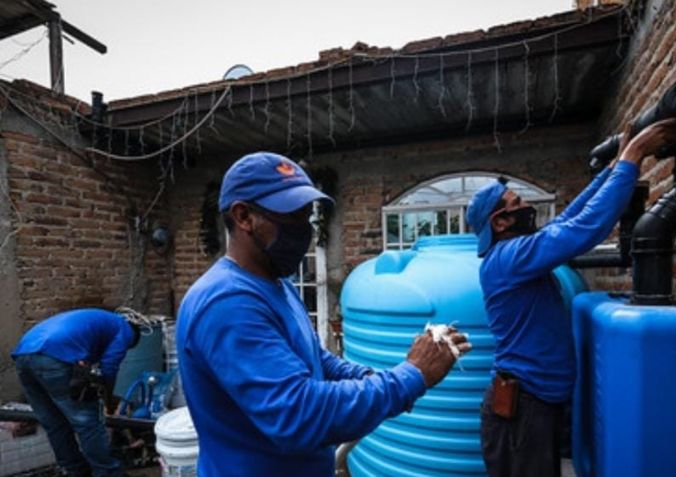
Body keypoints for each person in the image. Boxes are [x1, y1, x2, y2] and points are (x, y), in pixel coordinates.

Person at [176, 151, 470, 476]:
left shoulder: (277, 283)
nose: (305, 229)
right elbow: (298, 414)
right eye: (293, 215)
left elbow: (315, 358)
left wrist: (369, 379)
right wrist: (410, 376)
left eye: (307, 215)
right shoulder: (228, 303)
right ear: (244, 216)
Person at [466, 119, 676, 477]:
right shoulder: (508, 259)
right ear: (501, 222)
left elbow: (567, 219)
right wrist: (633, 157)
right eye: (516, 202)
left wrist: (613, 169)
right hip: (521, 409)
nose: (526, 206)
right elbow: (580, 230)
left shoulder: (517, 253)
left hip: (536, 401)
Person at [11, 308, 144, 477]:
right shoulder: (125, 330)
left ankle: (75, 471)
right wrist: (108, 401)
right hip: (55, 355)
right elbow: (109, 368)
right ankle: (107, 472)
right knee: (88, 422)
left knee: (54, 423)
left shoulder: (99, 321)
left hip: (24, 354)